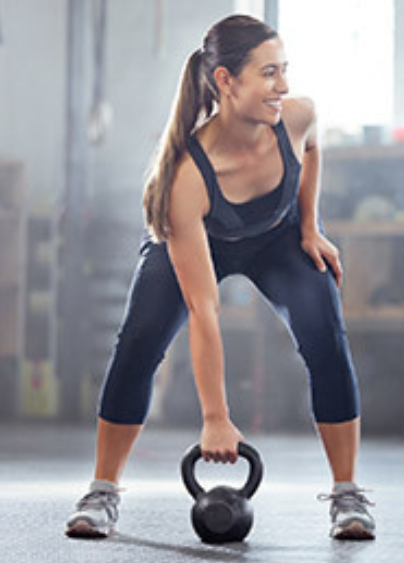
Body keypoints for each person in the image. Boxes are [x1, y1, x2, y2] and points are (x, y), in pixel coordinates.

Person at [65, 14, 375, 541]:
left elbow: (313, 149)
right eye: (269, 73)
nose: (284, 86)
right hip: (197, 239)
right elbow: (205, 311)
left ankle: (347, 494)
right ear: (226, 82)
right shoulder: (187, 175)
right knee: (138, 342)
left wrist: (308, 226)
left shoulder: (297, 117)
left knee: (325, 331)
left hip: (276, 238)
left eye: (285, 70)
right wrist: (216, 417)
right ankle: (102, 490)